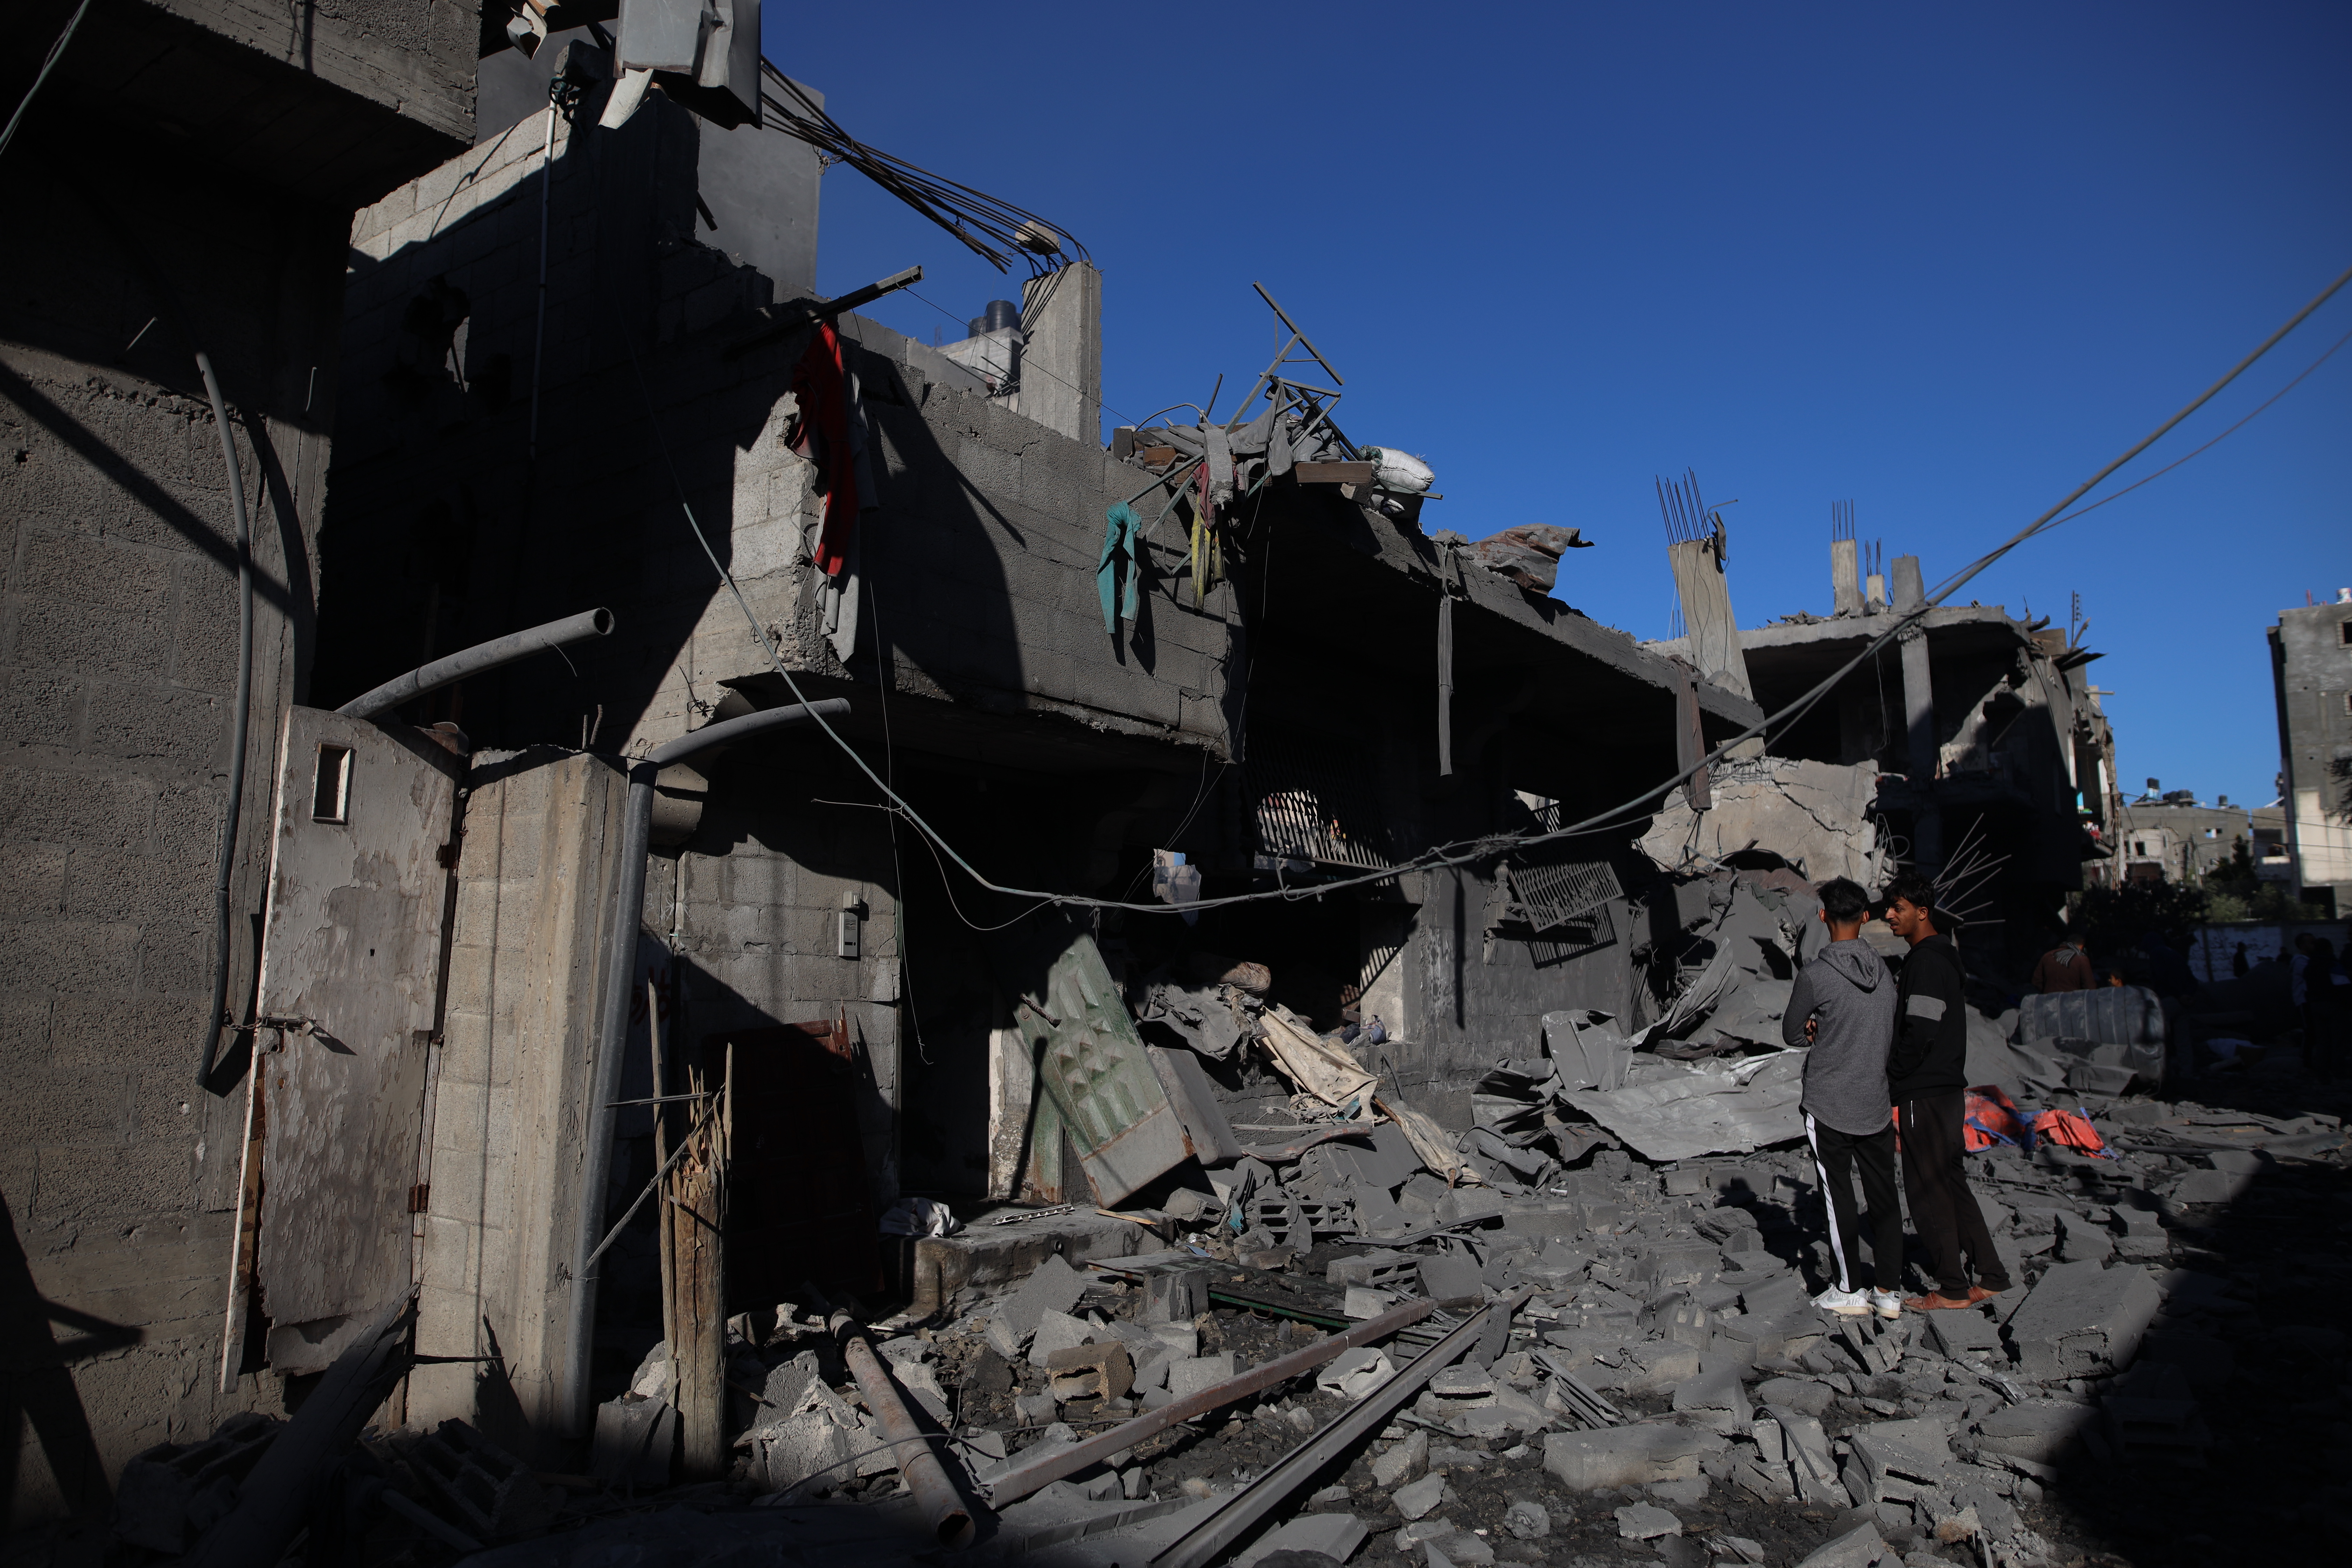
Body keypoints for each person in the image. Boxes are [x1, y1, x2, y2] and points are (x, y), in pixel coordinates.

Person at [1882, 871, 2013, 1310]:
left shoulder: (1925, 962)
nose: (1889, 916)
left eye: (1897, 908)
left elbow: (1920, 1028)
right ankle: (1991, 1275)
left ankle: (1952, 1287)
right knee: (1953, 1183)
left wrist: (1894, 1077)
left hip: (1924, 1089)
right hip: (1945, 1089)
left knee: (1926, 1188)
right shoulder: (1943, 958)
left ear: (1922, 912)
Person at [1783, 876, 1903, 1320]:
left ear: (1823, 917)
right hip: (1874, 1100)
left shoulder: (1816, 974)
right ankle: (1889, 1292)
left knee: (1838, 1197)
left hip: (1830, 1101)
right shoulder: (1886, 974)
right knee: (1885, 1196)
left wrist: (1816, 1028)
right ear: (1866, 916)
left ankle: (1849, 1287)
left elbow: (1792, 1032)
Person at [2029, 926, 2095, 993]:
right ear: (2081, 946)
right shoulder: (2082, 959)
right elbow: (2089, 986)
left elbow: (2036, 981)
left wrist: (2048, 991)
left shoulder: (2047, 956)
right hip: (2071, 1001)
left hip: (2049, 1000)